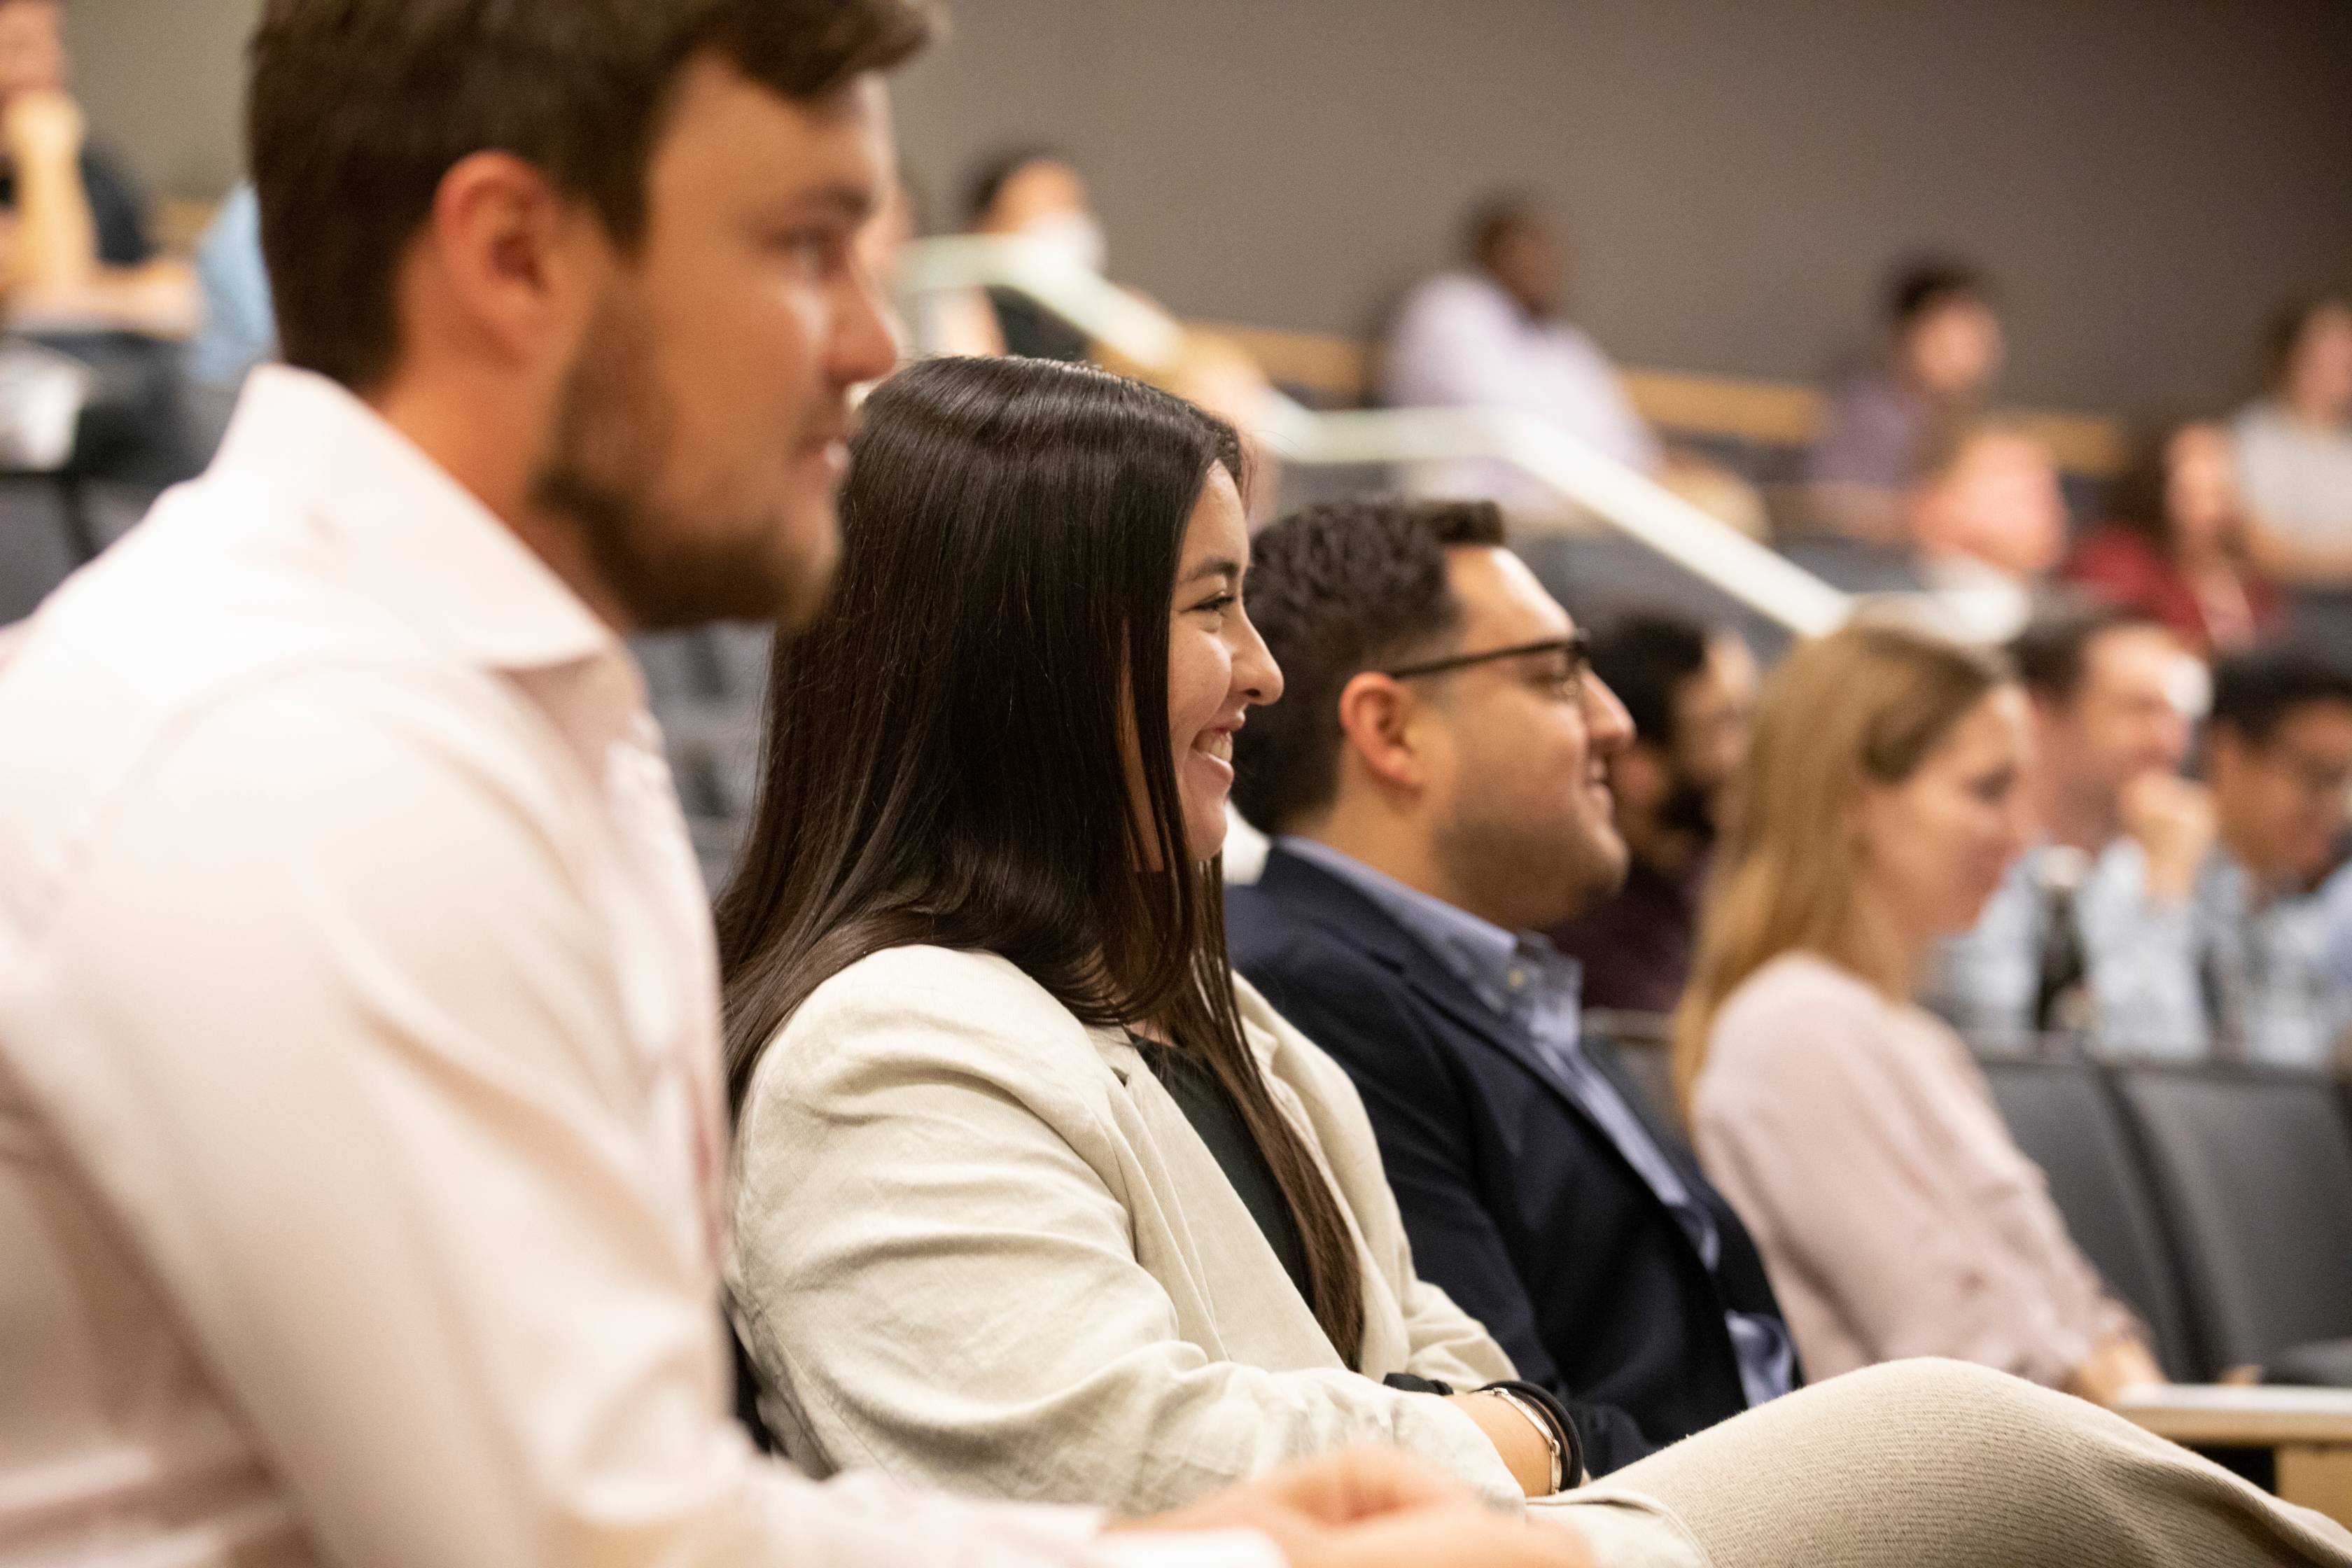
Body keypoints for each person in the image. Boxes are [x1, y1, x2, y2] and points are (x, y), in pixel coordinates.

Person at [0, 6, 1597, 1567]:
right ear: (513, 255)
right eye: (803, 248)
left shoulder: (496, 713)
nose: (871, 342)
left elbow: (658, 1503)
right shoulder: (291, 748)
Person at [717, 356, 2352, 1568]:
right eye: (1214, 606)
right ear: (1031, 654)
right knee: (1972, 1443)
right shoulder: (892, 1046)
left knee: (2004, 1463)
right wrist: (1508, 1447)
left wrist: (1501, 1434)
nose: (1264, 669)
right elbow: (1131, 1468)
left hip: (1506, 1542)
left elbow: (1467, 1363)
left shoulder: (1235, 1026)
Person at [1220, 501, 1791, 1468]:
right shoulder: (1305, 992)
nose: (1613, 723)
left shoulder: (1508, 977)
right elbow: (1504, 1417)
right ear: (1392, 731)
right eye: (1556, 677)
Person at [1674, 621, 2169, 1404]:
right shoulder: (1793, 1029)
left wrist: (2134, 1388)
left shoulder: (1909, 1034)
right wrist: (2135, 1401)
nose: (2020, 831)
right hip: (1955, 1511)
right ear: (1850, 800)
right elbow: (1966, 1363)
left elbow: (2080, 1313)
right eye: (1986, 789)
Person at [1924, 608, 2215, 1055]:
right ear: (2036, 714)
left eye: (2176, 716)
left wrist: (2165, 895)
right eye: (2139, 710)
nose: (2170, 743)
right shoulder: (1972, 852)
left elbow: (2171, 1079)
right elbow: (1998, 1053)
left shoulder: (2156, 866)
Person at [1546, 613, 1759, 1016]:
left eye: (1750, 716)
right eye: (1723, 726)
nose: (1747, 754)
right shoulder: (1585, 942)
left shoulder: (1724, 880)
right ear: (1638, 767)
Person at [2195, 648, 2352, 1067]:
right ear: (2229, 754)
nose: (2336, 809)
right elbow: (2153, 1070)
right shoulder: (2147, 894)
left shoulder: (2289, 920)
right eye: (2319, 778)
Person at [0, 0, 196, 335]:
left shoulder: (97, 172)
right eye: (20, 46)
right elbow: (53, 288)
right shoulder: (52, 153)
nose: (51, 62)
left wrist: (79, 291)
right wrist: (43, 156)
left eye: (54, 40)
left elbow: (176, 298)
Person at [1807, 260, 2004, 543]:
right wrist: (1928, 516)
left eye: (1979, 342)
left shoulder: (1967, 420)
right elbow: (1831, 504)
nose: (1971, 359)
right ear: (1909, 335)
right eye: (1951, 341)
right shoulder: (1867, 409)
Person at [2064, 417, 2283, 657]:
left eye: (2221, 494)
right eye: (2192, 494)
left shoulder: (2254, 581)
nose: (2210, 512)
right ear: (2157, 488)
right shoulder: (2114, 564)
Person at [2233, 295, 2352, 643]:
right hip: (2285, 611)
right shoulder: (2252, 440)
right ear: (2291, 357)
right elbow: (2263, 552)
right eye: (2329, 351)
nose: (2342, 360)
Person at [1906, 417, 2068, 643]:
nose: (2049, 509)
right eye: (2019, 494)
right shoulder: (1903, 620)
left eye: (2048, 491)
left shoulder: (2061, 615)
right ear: (1935, 504)